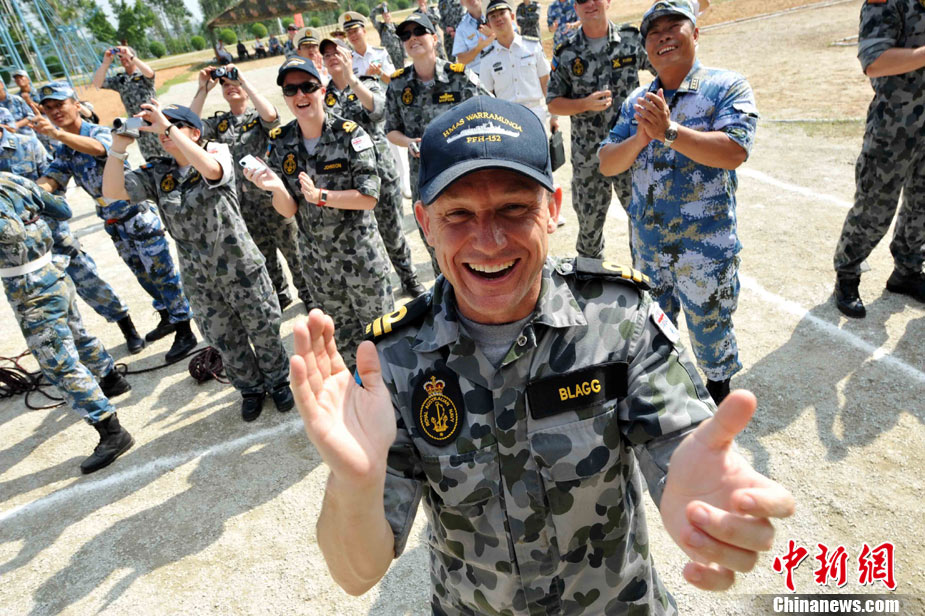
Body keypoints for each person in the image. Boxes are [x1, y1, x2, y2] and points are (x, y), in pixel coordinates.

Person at [291, 96, 796, 614]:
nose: (489, 240)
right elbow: (356, 574)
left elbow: (681, 445)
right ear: (425, 223)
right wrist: (355, 482)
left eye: (514, 208)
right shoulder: (395, 362)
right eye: (458, 214)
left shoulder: (617, 319)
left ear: (553, 209)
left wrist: (698, 495)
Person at [598, 0, 757, 405]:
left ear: (696, 33)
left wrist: (669, 132)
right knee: (656, 339)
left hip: (704, 254)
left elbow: (734, 150)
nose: (663, 36)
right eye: (654, 32)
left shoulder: (726, 87)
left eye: (674, 26)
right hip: (650, 253)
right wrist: (641, 137)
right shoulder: (638, 101)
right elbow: (607, 162)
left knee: (712, 341)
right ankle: (668, 408)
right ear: (646, 48)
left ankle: (718, 405)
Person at [102, 103, 294, 422]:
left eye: (176, 125)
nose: (165, 131)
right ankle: (250, 389)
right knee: (224, 338)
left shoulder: (216, 153)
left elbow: (213, 172)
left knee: (263, 329)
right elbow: (112, 192)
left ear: (194, 132)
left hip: (240, 267)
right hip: (200, 278)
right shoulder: (158, 172)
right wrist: (118, 147)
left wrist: (166, 127)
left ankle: (278, 382)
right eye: (163, 127)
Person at [244, 57, 394, 369]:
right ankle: (358, 391)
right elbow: (289, 209)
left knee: (384, 337)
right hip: (319, 265)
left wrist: (321, 197)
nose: (300, 95)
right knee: (345, 343)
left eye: (308, 87)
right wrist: (275, 188)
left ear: (321, 90)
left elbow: (369, 198)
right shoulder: (281, 141)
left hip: (361, 258)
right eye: (291, 90)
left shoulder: (350, 134)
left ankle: (396, 394)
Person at [32, 82, 196, 362]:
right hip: (114, 223)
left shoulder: (96, 132)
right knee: (143, 275)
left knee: (163, 274)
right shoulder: (65, 149)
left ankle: (185, 329)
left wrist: (57, 134)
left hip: (136, 216)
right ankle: (167, 316)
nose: (55, 111)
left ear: (76, 105)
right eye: (48, 108)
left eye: (60, 105)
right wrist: (24, 193)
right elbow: (52, 179)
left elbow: (100, 149)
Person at [0, 172, 134, 475]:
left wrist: (22, 222)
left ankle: (112, 432)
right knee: (77, 335)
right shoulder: (9, 179)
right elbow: (61, 210)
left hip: (31, 289)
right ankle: (110, 378)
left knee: (59, 363)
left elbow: (11, 233)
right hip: (52, 272)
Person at [0, 107, 144, 353]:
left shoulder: (27, 145)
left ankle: (126, 326)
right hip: (15, 252)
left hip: (52, 233)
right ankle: (84, 353)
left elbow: (53, 179)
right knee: (52, 305)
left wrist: (24, 196)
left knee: (90, 282)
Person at [189, 64, 316, 311]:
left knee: (293, 250)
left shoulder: (257, 117)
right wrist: (202, 90)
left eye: (234, 84)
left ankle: (308, 294)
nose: (231, 88)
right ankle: (280, 294)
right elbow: (189, 129)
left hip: (272, 199)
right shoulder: (221, 123)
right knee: (263, 254)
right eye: (226, 86)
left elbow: (271, 117)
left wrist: (243, 80)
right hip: (243, 205)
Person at [832, 0, 925, 317]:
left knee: (921, 206)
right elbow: (874, 61)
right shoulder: (887, 3)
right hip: (894, 126)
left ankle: (907, 271)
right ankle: (848, 273)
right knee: (875, 208)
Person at [320, 38, 426, 298]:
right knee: (362, 237)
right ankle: (380, 286)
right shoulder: (323, 97)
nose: (332, 57)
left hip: (379, 172)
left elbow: (378, 112)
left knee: (393, 232)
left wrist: (351, 79)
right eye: (327, 54)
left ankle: (408, 277)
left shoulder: (367, 83)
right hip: (348, 181)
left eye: (337, 52)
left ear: (349, 56)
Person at [547, 0, 651, 259]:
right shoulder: (566, 52)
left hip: (630, 150)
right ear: (575, 7)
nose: (590, 4)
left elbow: (664, 69)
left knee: (643, 224)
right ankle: (591, 281)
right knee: (589, 232)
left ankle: (646, 279)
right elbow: (553, 102)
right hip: (588, 158)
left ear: (608, 2)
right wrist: (584, 104)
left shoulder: (631, 40)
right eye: (582, 0)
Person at [385, 13, 486, 275]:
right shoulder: (398, 84)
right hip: (424, 176)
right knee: (433, 240)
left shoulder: (459, 76)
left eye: (419, 31)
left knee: (470, 235)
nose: (412, 38)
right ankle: (446, 294)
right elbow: (391, 130)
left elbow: (487, 114)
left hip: (461, 173)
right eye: (405, 35)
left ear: (435, 38)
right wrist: (408, 142)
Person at [479, 0, 552, 127]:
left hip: (535, 115)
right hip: (506, 120)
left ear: (512, 16)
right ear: (489, 24)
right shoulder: (487, 59)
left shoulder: (532, 46)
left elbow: (546, 83)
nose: (498, 19)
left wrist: (554, 117)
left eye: (502, 13)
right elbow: (487, 96)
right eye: (493, 16)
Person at [91, 46, 162, 161]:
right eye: (120, 57)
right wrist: (105, 64)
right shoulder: (121, 80)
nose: (123, 59)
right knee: (150, 158)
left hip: (154, 120)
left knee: (168, 151)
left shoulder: (142, 75)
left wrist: (130, 56)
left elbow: (150, 73)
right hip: (136, 123)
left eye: (125, 56)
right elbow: (97, 83)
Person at [340, 11, 396, 84]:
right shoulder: (348, 62)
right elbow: (348, 87)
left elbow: (394, 81)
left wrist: (379, 73)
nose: (353, 35)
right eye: (349, 33)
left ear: (364, 31)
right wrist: (367, 77)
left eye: (355, 31)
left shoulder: (380, 53)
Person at [452, 0, 494, 74]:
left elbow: (513, 40)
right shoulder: (461, 29)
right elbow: (461, 60)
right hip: (478, 76)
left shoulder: (497, 14)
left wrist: (494, 35)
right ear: (461, 2)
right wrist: (478, 48)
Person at [370, 4, 407, 68]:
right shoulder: (381, 27)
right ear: (382, 16)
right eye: (384, 14)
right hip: (387, 57)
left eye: (387, 13)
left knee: (401, 73)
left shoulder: (397, 27)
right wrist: (378, 7)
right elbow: (372, 17)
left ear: (390, 14)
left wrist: (405, 56)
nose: (386, 15)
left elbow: (402, 42)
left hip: (398, 57)